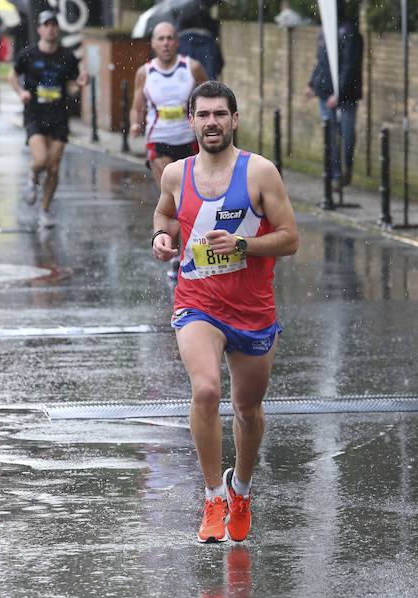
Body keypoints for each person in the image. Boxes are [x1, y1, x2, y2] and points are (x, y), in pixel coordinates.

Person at [151, 81, 299, 543]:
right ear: (191, 121)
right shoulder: (175, 174)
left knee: (248, 410)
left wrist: (244, 245)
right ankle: (213, 496)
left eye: (220, 114)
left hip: (253, 309)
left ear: (234, 120)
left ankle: (241, 489)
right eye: (203, 115)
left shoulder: (260, 173)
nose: (211, 122)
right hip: (197, 301)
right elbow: (164, 215)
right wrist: (160, 238)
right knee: (206, 390)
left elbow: (291, 238)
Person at [8, 9, 87, 227]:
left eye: (54, 25)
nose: (51, 29)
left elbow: (70, 87)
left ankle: (44, 210)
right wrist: (20, 92)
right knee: (41, 160)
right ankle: (32, 177)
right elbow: (12, 75)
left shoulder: (67, 57)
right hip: (35, 114)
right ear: (40, 29)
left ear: (57, 29)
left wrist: (78, 86)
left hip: (59, 116)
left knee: (53, 166)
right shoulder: (28, 55)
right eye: (47, 25)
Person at [129, 21, 208, 188]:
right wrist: (135, 124)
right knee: (170, 190)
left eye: (170, 38)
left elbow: (210, 97)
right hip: (158, 139)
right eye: (161, 38)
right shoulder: (145, 73)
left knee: (189, 192)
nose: (165, 43)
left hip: (187, 138)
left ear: (177, 42)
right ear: (153, 43)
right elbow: (137, 107)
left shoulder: (192, 67)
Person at [306, 15, 364, 187]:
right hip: (325, 94)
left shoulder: (348, 32)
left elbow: (350, 65)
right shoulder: (324, 32)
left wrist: (339, 92)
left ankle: (347, 167)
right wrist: (312, 84)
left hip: (346, 97)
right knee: (330, 137)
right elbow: (321, 62)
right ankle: (336, 175)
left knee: (347, 136)